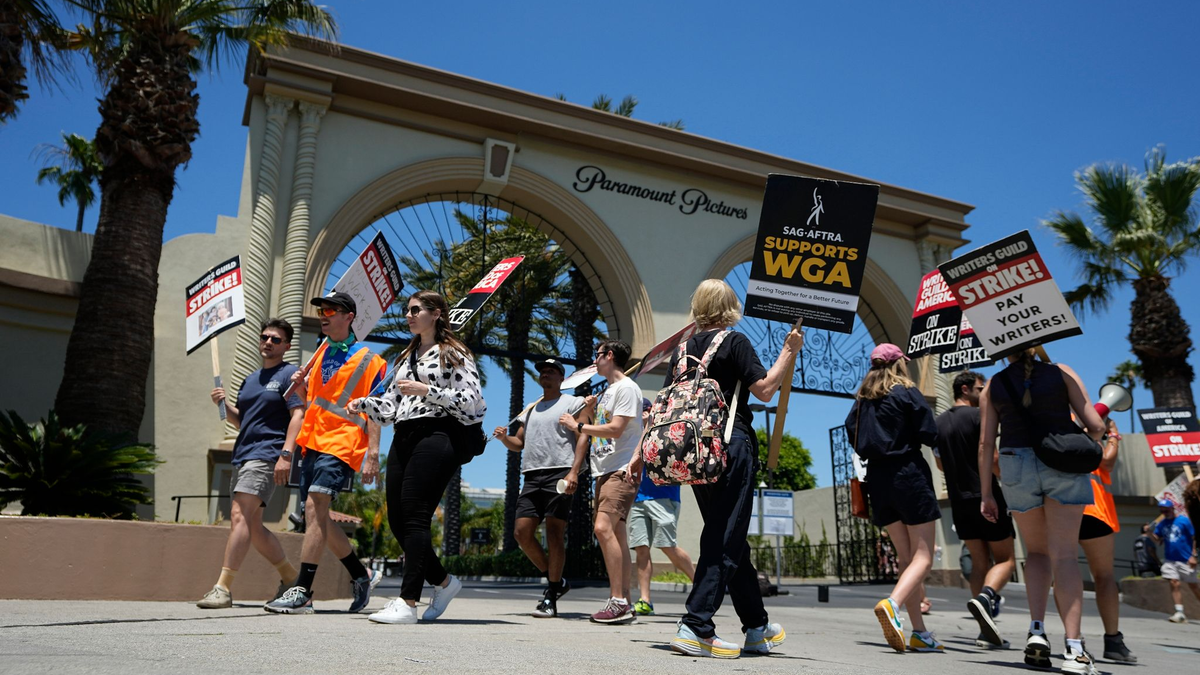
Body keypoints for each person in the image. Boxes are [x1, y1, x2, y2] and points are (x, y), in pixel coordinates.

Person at [631, 279, 799, 658]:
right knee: (725, 537)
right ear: (730, 307)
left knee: (729, 534)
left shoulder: (682, 351)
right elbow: (766, 389)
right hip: (730, 445)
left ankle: (756, 627)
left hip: (695, 453)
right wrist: (788, 352)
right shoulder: (734, 342)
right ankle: (696, 624)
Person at [353, 290, 487, 625]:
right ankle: (444, 582)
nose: (409, 316)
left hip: (438, 434)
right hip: (404, 434)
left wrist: (429, 391)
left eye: (415, 310)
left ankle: (407, 601)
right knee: (398, 519)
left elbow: (473, 402)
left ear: (437, 313)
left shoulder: (452, 352)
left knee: (415, 514)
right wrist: (363, 404)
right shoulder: (405, 357)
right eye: (407, 311)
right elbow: (390, 408)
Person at [979, 348, 1105, 675]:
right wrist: (1082, 436)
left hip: (1014, 463)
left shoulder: (993, 385)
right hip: (1061, 457)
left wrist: (986, 494)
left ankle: (1036, 631)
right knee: (1063, 555)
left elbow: (985, 444)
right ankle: (1074, 649)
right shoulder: (1062, 372)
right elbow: (1096, 424)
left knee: (1035, 552)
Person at [265, 292, 386, 615]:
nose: (324, 314)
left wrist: (373, 453)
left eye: (331, 310)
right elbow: (312, 401)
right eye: (321, 310)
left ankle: (302, 591)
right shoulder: (317, 355)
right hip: (312, 441)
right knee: (314, 514)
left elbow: (376, 409)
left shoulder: (371, 360)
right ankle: (363, 575)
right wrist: (300, 385)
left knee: (315, 504)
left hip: (344, 441)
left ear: (349, 317)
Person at [197, 318, 304, 609]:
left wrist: (286, 454)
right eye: (265, 337)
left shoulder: (289, 374)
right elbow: (243, 421)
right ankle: (291, 578)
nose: (268, 342)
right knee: (253, 526)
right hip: (243, 454)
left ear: (286, 346)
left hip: (267, 454)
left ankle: (223, 588)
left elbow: (298, 415)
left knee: (239, 516)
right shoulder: (250, 379)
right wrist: (224, 405)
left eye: (276, 339)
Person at [846, 343, 944, 654]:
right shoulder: (905, 391)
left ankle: (920, 632)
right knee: (924, 555)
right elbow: (930, 432)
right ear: (898, 364)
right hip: (908, 473)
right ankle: (893, 603)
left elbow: (853, 434)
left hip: (877, 478)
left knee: (906, 558)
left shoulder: (861, 401)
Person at [493, 357, 590, 618]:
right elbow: (518, 444)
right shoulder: (531, 408)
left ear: (562, 377)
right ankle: (556, 581)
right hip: (531, 475)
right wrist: (504, 439)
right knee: (521, 533)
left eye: (550, 371)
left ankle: (550, 595)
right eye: (542, 371)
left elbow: (584, 438)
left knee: (555, 533)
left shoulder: (573, 403)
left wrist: (574, 471)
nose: (545, 374)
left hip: (560, 472)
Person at [558, 339, 642, 625]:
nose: (594, 361)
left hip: (620, 471)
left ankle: (617, 601)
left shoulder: (627, 388)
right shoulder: (609, 391)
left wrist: (577, 424)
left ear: (609, 356)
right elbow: (605, 429)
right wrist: (592, 411)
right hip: (605, 471)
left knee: (602, 527)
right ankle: (626, 601)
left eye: (598, 355)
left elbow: (616, 430)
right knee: (617, 534)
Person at [934, 370, 1015, 649]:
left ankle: (985, 629)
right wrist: (1005, 480)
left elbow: (940, 465)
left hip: (959, 501)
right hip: (987, 495)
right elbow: (992, 457)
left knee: (980, 562)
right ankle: (987, 596)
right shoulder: (981, 416)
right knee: (1006, 560)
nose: (985, 393)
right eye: (981, 388)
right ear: (966, 389)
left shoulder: (939, 423)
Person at [630, 397, 696, 617]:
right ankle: (645, 600)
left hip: (664, 496)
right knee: (641, 548)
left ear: (649, 412)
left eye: (640, 412)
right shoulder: (633, 436)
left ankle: (701, 588)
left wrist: (650, 425)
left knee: (667, 545)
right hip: (640, 498)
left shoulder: (663, 430)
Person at [1076, 418, 1136, 661]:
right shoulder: (1084, 429)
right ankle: (1112, 641)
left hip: (1062, 506)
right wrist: (1113, 434)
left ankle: (1074, 639)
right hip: (1093, 510)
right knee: (1104, 576)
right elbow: (1107, 462)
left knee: (1063, 569)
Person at [1152, 498, 1200, 623]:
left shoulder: (1183, 520)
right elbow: (1157, 540)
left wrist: (1193, 554)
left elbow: (1193, 537)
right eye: (1162, 510)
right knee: (1174, 582)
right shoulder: (1162, 524)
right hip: (1170, 559)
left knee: (1194, 586)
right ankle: (1179, 612)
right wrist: (1148, 532)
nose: (1164, 511)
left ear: (1172, 508)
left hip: (1185, 559)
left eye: (1166, 509)